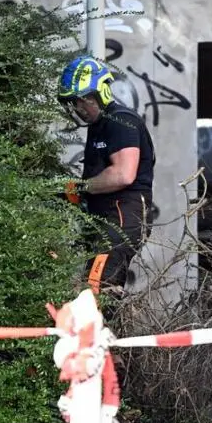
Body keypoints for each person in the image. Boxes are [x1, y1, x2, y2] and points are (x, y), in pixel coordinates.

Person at [56, 55, 156, 306]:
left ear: (98, 94)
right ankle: (106, 341)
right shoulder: (99, 125)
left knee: (96, 291)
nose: (78, 108)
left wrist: (80, 187)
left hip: (122, 215)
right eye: (74, 103)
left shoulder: (121, 121)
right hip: (108, 217)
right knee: (95, 292)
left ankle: (105, 343)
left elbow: (123, 174)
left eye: (82, 101)